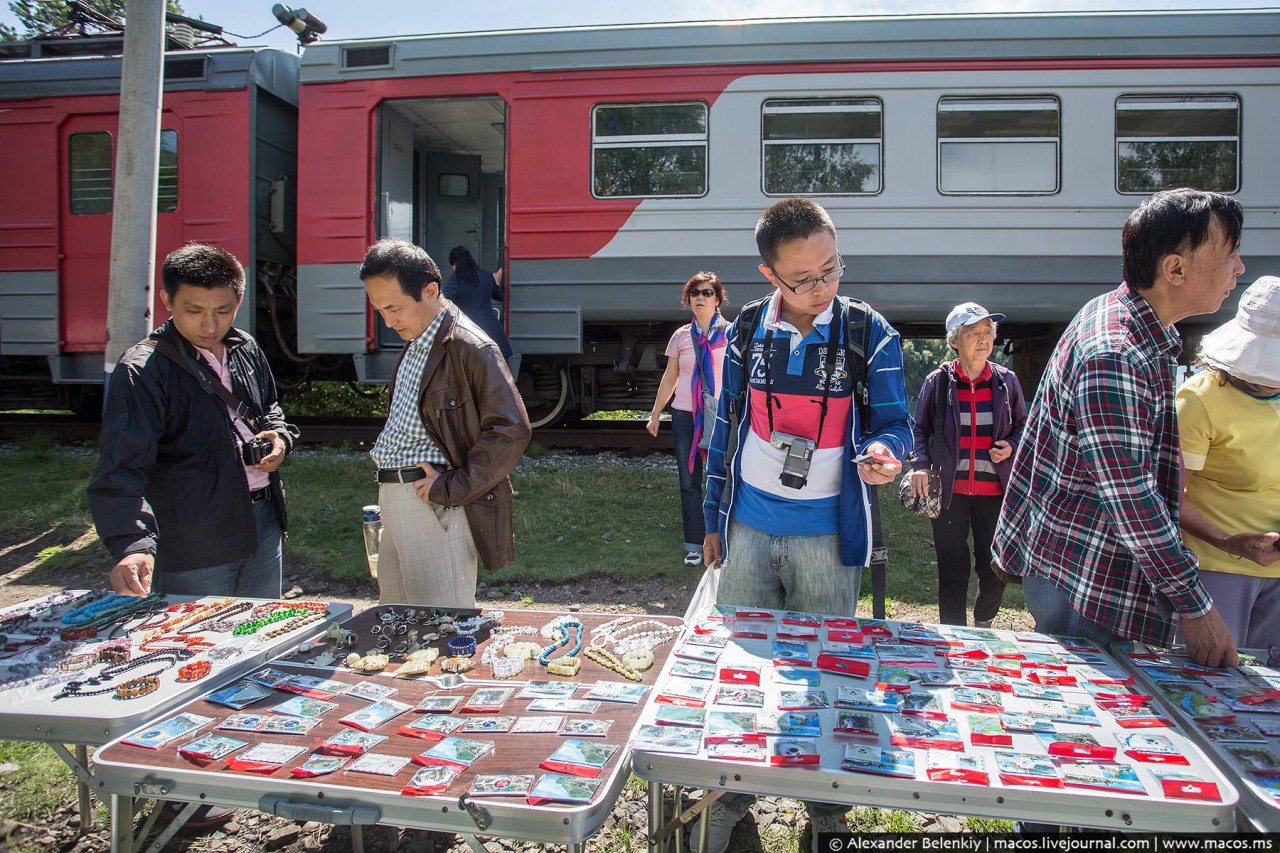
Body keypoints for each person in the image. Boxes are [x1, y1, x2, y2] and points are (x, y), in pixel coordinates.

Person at [696, 198, 912, 853]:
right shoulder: (743, 332)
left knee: (829, 674)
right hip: (749, 534)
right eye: (805, 278)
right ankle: (731, 794)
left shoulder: (866, 331)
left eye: (832, 269)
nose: (823, 287)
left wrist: (888, 455)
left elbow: (894, 420)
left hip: (827, 537)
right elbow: (724, 426)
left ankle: (826, 811)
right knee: (744, 671)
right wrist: (713, 518)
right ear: (770, 275)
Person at [992, 187, 1244, 669]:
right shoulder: (1115, 354)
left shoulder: (1130, 320)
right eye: (1229, 255)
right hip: (1087, 581)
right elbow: (1131, 497)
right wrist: (1195, 604)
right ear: (1175, 269)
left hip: (1083, 567)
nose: (1239, 268)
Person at [89, 243, 298, 597]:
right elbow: (122, 465)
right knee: (199, 647)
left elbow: (270, 409)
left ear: (239, 301)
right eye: (194, 310)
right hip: (192, 538)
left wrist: (279, 437)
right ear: (167, 300)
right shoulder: (143, 369)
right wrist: (132, 544)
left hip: (262, 523)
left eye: (223, 310)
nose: (210, 325)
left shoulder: (245, 347)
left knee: (262, 639)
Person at [360, 238, 531, 608]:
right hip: (402, 497)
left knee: (440, 627)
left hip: (433, 504)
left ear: (431, 290)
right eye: (379, 310)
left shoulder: (469, 345)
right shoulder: (421, 335)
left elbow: (511, 428)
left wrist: (455, 486)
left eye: (395, 308)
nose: (389, 322)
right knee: (399, 620)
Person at [1176, 275, 1280, 648]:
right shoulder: (1198, 400)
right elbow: (1172, 495)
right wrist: (1229, 542)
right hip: (1217, 567)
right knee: (1216, 680)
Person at [909, 303, 1027, 628]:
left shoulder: (1006, 382)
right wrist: (919, 464)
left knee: (994, 568)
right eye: (974, 333)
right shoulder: (938, 382)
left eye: (988, 332)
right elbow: (919, 429)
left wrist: (1012, 445)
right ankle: (954, 632)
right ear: (955, 341)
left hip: (994, 491)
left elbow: (1023, 427)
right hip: (950, 492)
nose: (983, 339)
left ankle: (984, 619)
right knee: (952, 567)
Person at [646, 272, 729, 567]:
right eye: (695, 293)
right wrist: (656, 413)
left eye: (707, 293)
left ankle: (722, 540)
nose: (700, 298)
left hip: (720, 415)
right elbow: (671, 377)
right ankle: (695, 545)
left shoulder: (731, 335)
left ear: (718, 299)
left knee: (723, 477)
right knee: (689, 481)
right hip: (685, 415)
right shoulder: (681, 336)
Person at [444, 245, 513, 359]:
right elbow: (500, 296)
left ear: (455, 263)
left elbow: (446, 302)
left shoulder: (456, 279)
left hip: (470, 332)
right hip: (492, 332)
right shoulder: (486, 276)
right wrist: (496, 283)